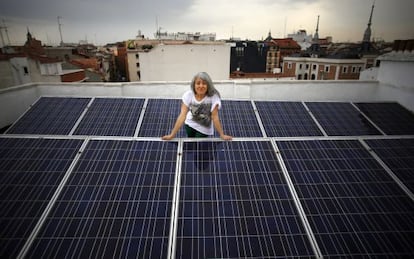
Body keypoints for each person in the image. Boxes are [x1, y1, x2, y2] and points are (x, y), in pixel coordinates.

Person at [162, 72, 233, 141]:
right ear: (194, 85)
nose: (201, 86)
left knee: (198, 146)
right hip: (189, 125)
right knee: (192, 145)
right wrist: (172, 135)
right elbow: (182, 115)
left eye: (204, 83)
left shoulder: (213, 97)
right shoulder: (189, 95)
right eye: (198, 83)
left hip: (204, 129)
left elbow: (215, 117)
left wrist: (222, 134)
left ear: (208, 85)